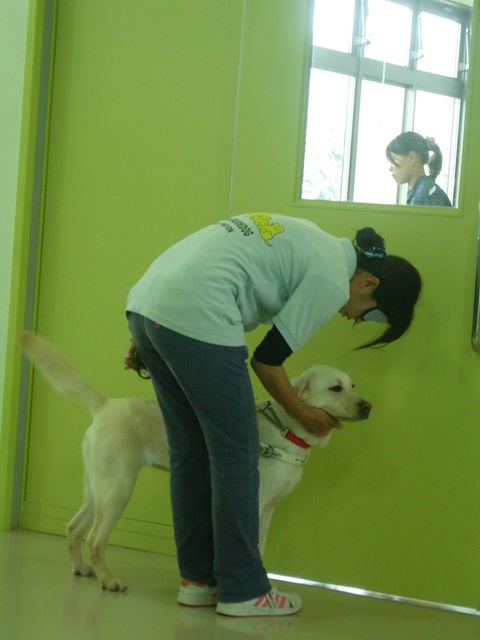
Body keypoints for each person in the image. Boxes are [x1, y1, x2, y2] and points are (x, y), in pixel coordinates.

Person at [124, 213, 421, 617]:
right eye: (370, 316)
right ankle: (243, 591)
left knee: (190, 451)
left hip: (146, 306)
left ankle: (198, 582)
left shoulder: (313, 238)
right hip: (198, 313)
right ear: (369, 283)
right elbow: (267, 360)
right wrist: (302, 413)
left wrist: (153, 332)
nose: (355, 319)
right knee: (237, 452)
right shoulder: (333, 280)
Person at [386, 131, 452, 207]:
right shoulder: (422, 191)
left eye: (394, 160)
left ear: (412, 158)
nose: (390, 168)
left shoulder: (425, 195)